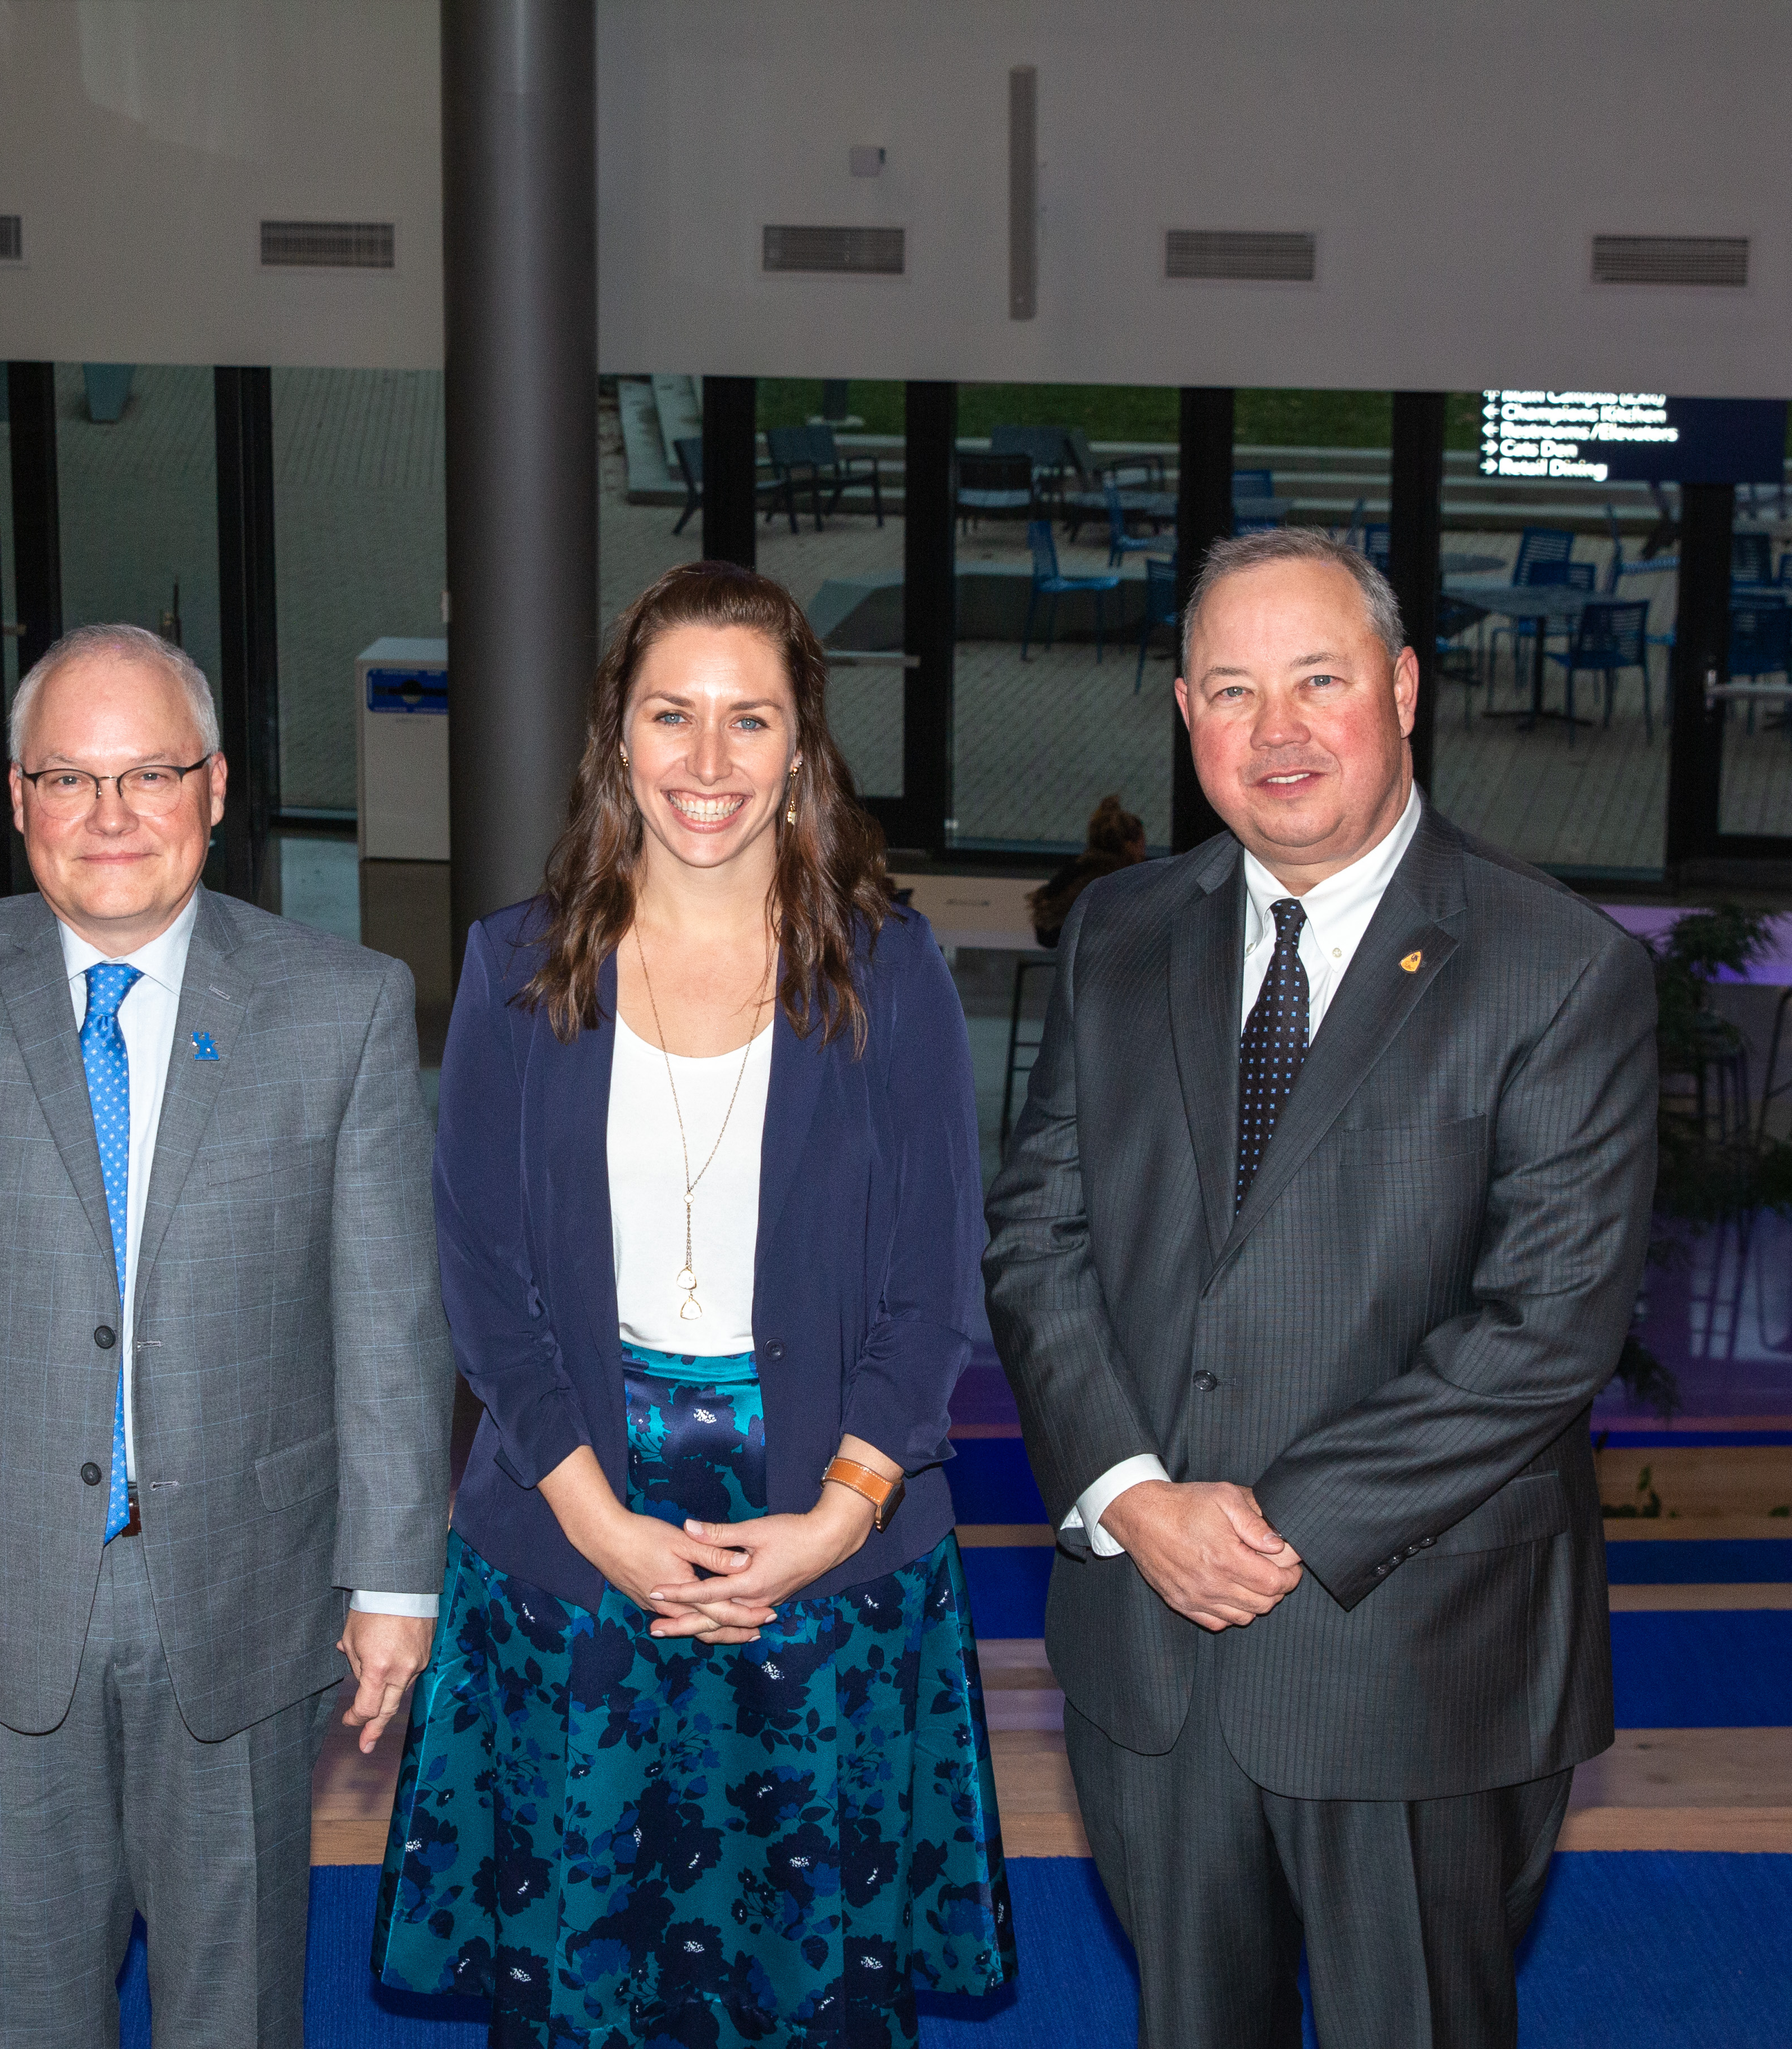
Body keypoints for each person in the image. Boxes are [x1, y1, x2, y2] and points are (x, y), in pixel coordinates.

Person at [984, 527, 1655, 2049]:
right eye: (1231, 690)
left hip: (1410, 1655)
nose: (1275, 730)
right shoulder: (1117, 935)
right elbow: (1037, 1238)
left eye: (1316, 680)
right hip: (1149, 1636)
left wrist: (1276, 1526)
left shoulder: (1555, 968)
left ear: (1403, 690)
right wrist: (1136, 1498)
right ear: (1182, 715)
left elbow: (1547, 1325)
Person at [375, 562, 1014, 2049]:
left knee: (804, 1981)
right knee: (585, 1971)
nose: (708, 765)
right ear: (620, 733)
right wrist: (602, 1526)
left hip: (825, 1525)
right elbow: (479, 1276)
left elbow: (934, 1282)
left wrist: (839, 1515)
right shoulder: (515, 969)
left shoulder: (890, 972)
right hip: (573, 1518)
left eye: (750, 721)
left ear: (802, 747)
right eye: (674, 717)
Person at [0, 622, 453, 2049]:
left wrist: (395, 1576)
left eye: (147, 776)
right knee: (27, 2001)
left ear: (214, 790)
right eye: (66, 779)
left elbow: (389, 1324)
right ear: (17, 798)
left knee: (237, 2003)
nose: (107, 818)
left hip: (248, 1584)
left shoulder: (338, 1009)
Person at [1026, 791, 1147, 948]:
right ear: (1130, 846)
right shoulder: (1119, 881)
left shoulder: (1080, 870)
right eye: (1142, 845)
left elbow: (1045, 929)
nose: (1144, 851)